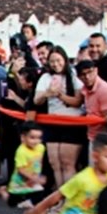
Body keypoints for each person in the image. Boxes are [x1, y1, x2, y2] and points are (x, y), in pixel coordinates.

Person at [34, 46, 85, 190]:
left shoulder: (74, 75)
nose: (55, 64)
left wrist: (60, 95)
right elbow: (37, 100)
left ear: (65, 60)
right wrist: (47, 93)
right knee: (55, 163)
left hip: (72, 124)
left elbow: (78, 101)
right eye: (52, 61)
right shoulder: (45, 77)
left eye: (58, 60)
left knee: (68, 163)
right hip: (52, 122)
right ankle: (59, 198)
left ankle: (69, 201)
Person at [0, 122, 48, 214]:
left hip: (33, 182)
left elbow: (39, 161)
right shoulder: (21, 151)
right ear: (23, 138)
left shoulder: (41, 147)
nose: (36, 141)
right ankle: (3, 192)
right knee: (11, 203)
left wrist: (38, 175)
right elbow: (21, 170)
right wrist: (35, 178)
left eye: (39, 138)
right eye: (32, 138)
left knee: (42, 204)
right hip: (19, 184)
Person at [77, 59, 107, 145]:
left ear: (96, 70)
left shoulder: (104, 90)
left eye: (90, 72)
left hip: (102, 140)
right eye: (83, 74)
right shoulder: (85, 89)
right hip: (92, 135)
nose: (87, 77)